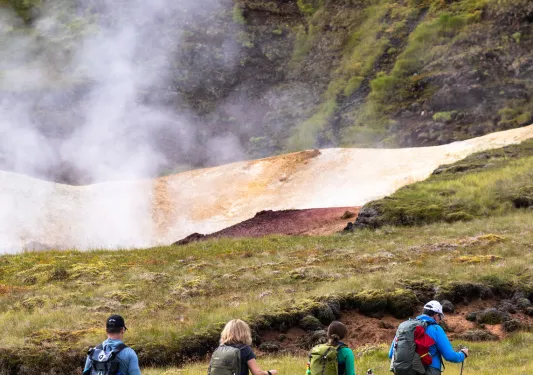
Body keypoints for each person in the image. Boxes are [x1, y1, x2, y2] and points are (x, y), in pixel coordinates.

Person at [389, 301, 468, 375]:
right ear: (436, 316)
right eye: (440, 317)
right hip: (429, 371)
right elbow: (449, 356)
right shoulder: (435, 329)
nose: (440, 320)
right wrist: (462, 354)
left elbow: (391, 354)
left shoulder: (405, 327)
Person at [208, 319, 277, 375]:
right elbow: (257, 373)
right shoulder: (245, 349)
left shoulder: (219, 349)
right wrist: (270, 373)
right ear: (245, 333)